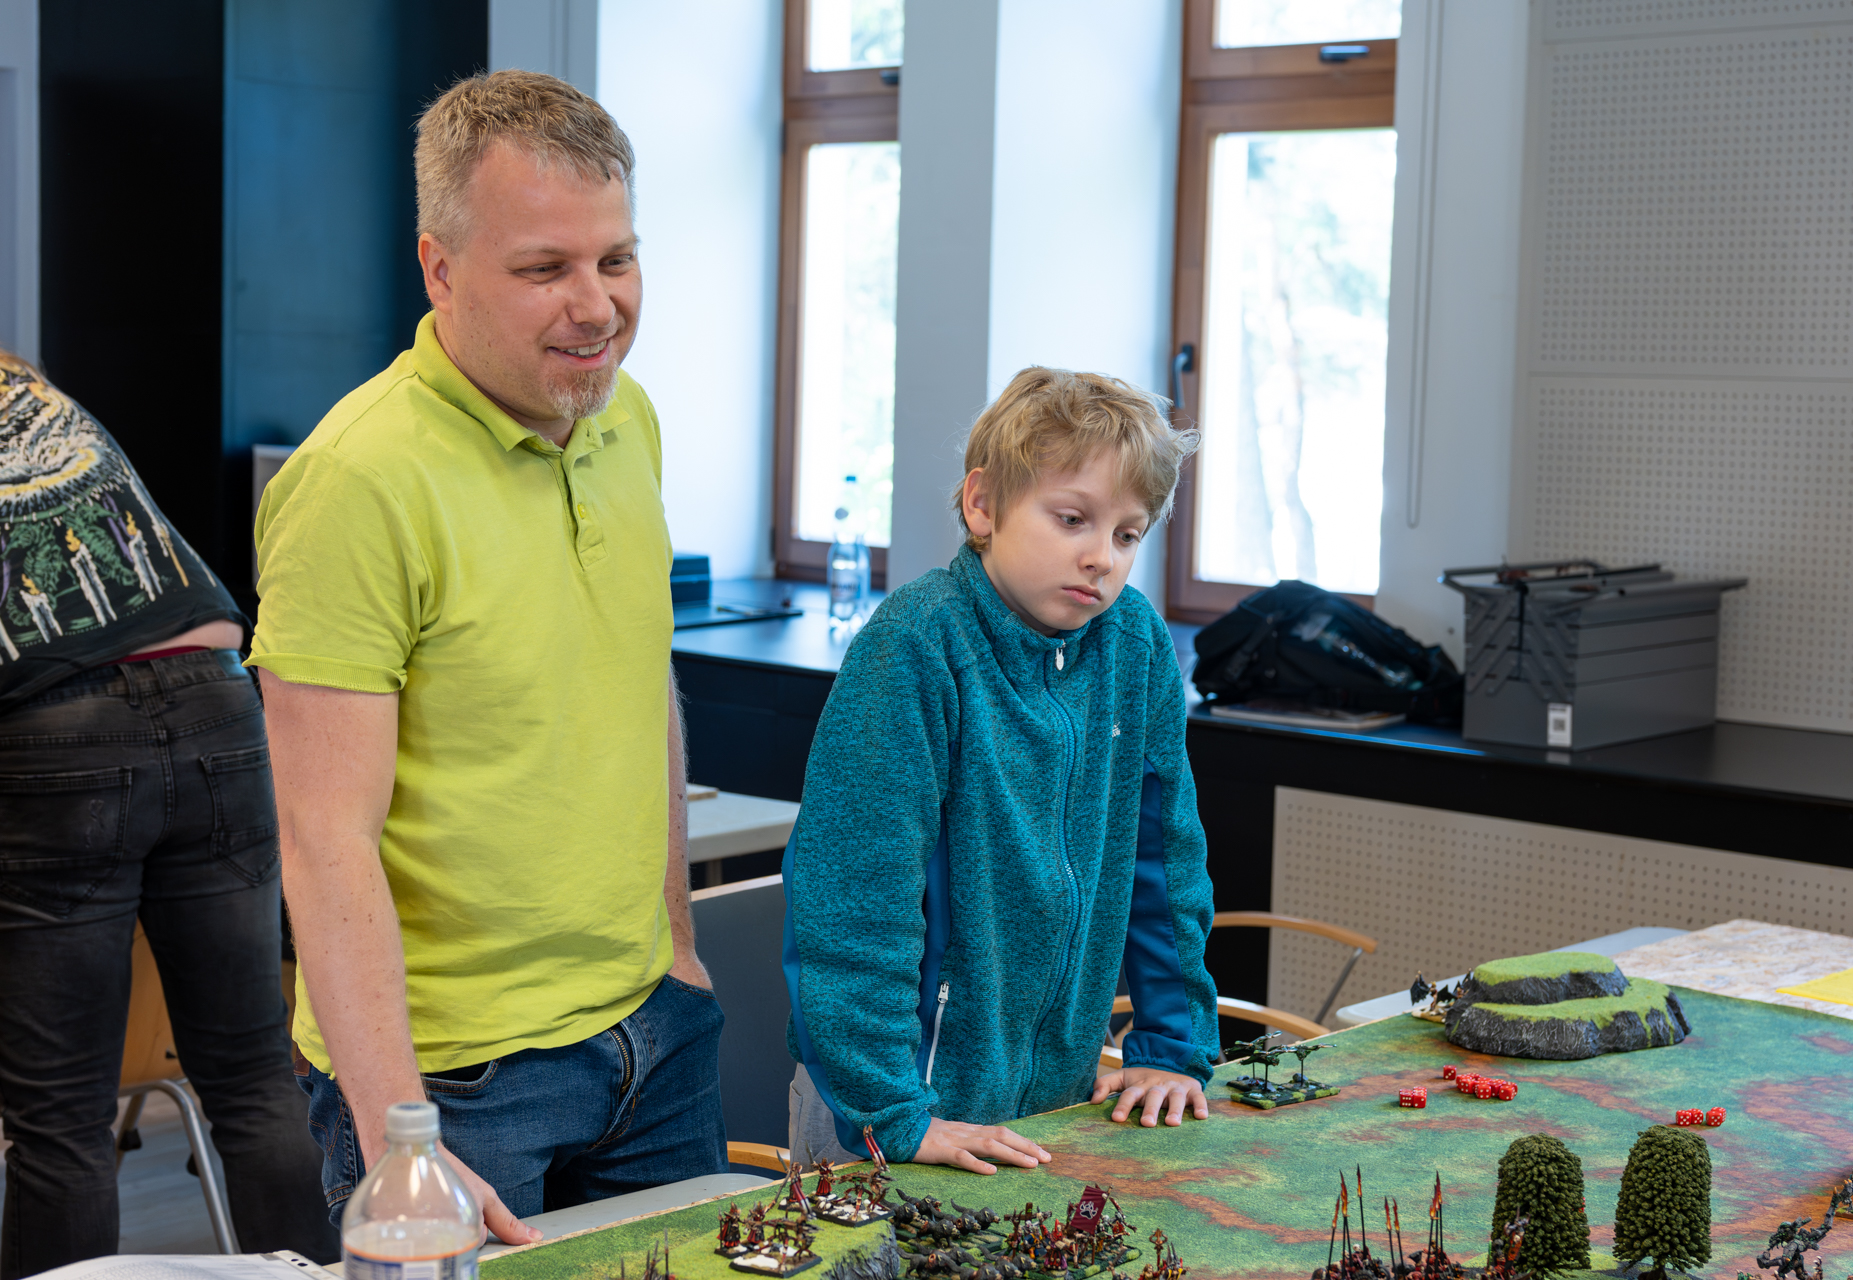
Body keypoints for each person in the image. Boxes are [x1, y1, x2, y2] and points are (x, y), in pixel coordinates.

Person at [248, 71, 721, 1245]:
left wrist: (678, 940)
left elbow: (641, 685)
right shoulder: (357, 481)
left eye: (617, 258)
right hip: (456, 1083)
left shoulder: (625, 417)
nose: (597, 306)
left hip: (652, 1034)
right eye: (544, 267)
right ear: (441, 268)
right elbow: (323, 837)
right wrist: (397, 1135)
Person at [784, 367, 1221, 1174]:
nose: (1101, 557)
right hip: (890, 1112)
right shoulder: (916, 646)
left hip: (1048, 1106)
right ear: (983, 505)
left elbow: (1164, 867)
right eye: (1072, 519)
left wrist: (1172, 1045)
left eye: (1128, 535)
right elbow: (853, 903)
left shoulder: (1136, 644)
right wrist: (892, 1115)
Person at [0, 350, 335, 1277]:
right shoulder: (26, 386)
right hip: (214, 691)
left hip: (59, 729)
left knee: (61, 1119)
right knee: (255, 1079)